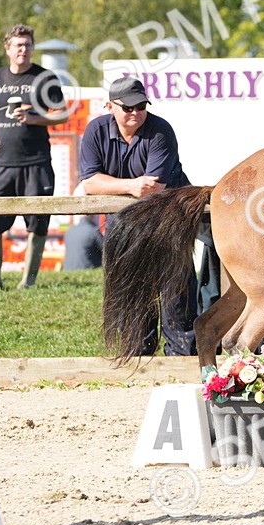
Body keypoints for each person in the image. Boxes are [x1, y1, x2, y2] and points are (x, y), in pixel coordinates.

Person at [78, 77, 197, 355]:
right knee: (132, 288)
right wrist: (130, 185)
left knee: (175, 290)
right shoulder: (95, 130)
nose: (135, 112)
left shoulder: (160, 130)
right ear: (110, 106)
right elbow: (90, 183)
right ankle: (138, 352)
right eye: (128, 107)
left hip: (170, 218)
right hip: (127, 224)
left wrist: (117, 185)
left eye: (141, 105)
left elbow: (153, 189)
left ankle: (182, 356)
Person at [0, 24, 68, 290]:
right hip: (2, 162)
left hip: (37, 161)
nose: (23, 49)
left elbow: (63, 114)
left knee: (37, 221)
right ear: (8, 49)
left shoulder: (45, 78)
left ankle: (28, 282)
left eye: (27, 45)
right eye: (18, 45)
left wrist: (34, 118)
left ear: (32, 48)